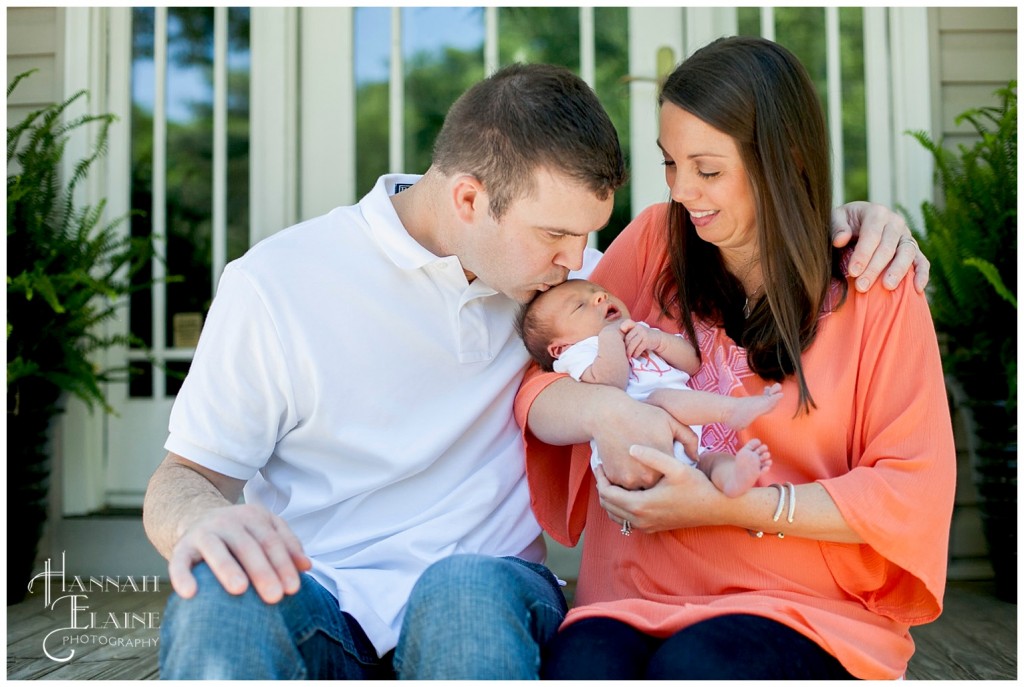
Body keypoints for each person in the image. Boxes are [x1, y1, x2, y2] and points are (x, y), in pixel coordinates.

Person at [143, 60, 930, 679]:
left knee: (461, 593)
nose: (579, 262)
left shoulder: (562, 280)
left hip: (484, 593)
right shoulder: (280, 283)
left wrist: (851, 218)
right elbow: (184, 478)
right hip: (325, 593)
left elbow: (755, 234)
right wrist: (205, 522)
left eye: (587, 239)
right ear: (466, 199)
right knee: (216, 599)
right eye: (557, 236)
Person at [514, 37, 955, 681]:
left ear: (786, 159)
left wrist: (730, 507)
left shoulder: (874, 285)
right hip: (632, 595)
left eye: (708, 169)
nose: (683, 192)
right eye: (670, 164)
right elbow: (539, 384)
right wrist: (605, 412)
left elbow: (908, 490)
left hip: (802, 608)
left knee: (697, 668)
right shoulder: (652, 246)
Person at [517, 278, 780, 502]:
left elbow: (692, 363)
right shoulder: (576, 353)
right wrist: (609, 338)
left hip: (689, 432)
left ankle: (734, 478)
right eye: (579, 305)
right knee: (660, 398)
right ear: (558, 347)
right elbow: (611, 385)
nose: (599, 297)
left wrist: (658, 341)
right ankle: (731, 411)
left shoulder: (637, 331)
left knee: (711, 460)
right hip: (638, 445)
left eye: (598, 292)